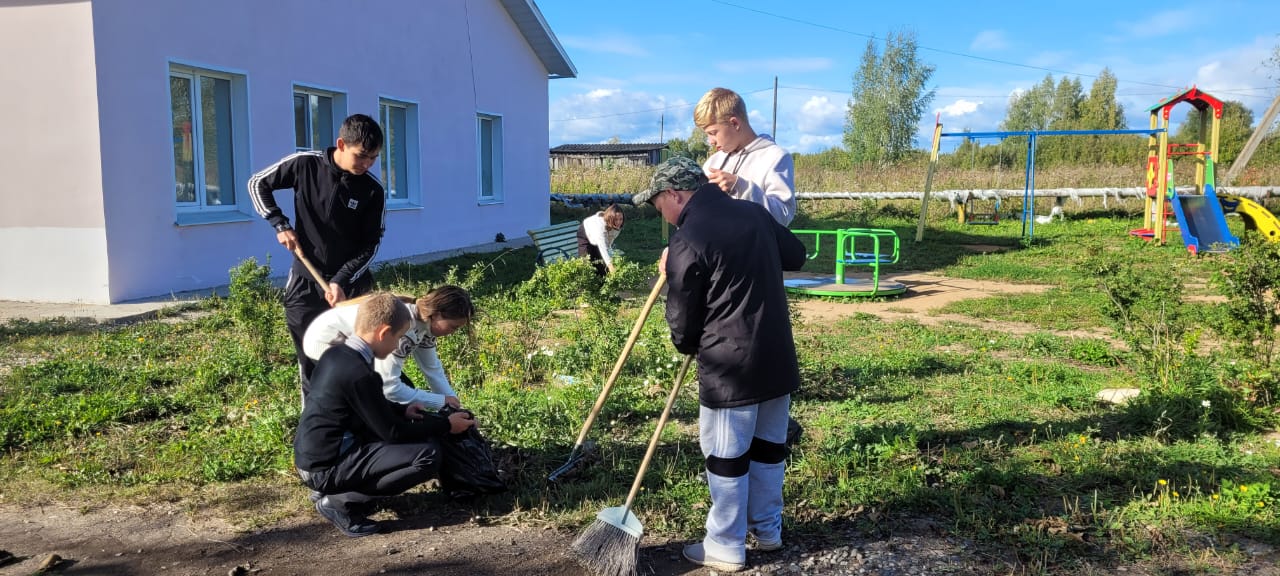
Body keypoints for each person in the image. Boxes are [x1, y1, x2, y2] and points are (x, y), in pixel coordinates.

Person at [633, 157, 806, 572]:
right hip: (776, 357)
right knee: (768, 450)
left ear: (676, 194)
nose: (664, 217)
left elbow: (682, 318)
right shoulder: (753, 213)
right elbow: (796, 255)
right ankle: (767, 531)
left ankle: (725, 546)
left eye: (660, 207)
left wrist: (688, 343)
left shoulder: (688, 237)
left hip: (729, 368)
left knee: (725, 456)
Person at [294, 292, 476, 538]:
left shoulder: (338, 356)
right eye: (399, 338)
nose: (398, 347)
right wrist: (445, 425)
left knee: (409, 435)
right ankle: (341, 502)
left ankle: (341, 487)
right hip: (323, 467)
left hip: (314, 458)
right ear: (382, 333)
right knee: (427, 456)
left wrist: (403, 409)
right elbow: (392, 432)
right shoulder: (361, 374)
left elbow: (372, 407)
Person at [249, 114, 386, 400]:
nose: (367, 164)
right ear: (341, 144)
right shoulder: (305, 164)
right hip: (305, 281)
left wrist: (340, 280)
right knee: (310, 357)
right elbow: (257, 183)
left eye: (373, 158)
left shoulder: (372, 190)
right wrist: (280, 224)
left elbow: (371, 244)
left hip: (351, 287)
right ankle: (316, 425)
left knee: (358, 360)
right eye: (361, 156)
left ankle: (362, 422)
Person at [303, 286, 475, 412]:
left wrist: (454, 405)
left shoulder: (425, 325)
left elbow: (432, 369)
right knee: (371, 396)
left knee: (401, 390)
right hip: (326, 342)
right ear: (437, 315)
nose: (453, 333)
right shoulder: (405, 326)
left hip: (354, 347)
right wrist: (441, 402)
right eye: (453, 327)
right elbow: (390, 388)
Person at [695, 87, 797, 227]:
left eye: (713, 133)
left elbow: (783, 216)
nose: (710, 141)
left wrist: (741, 186)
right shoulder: (713, 163)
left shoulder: (775, 157)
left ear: (735, 123)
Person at [576, 204, 625, 275]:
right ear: (611, 218)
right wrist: (611, 266)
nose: (618, 222)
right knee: (586, 263)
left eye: (621, 219)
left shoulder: (618, 226)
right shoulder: (599, 227)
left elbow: (608, 242)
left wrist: (609, 260)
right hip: (585, 233)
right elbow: (602, 247)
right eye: (616, 219)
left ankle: (601, 283)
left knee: (602, 267)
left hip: (599, 238)